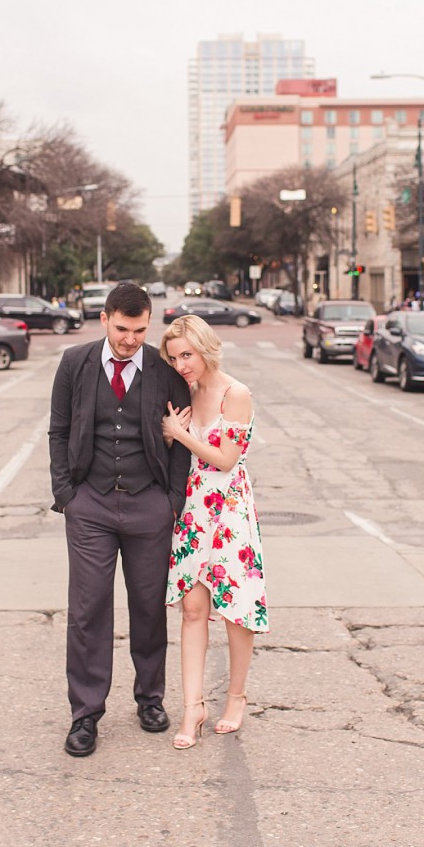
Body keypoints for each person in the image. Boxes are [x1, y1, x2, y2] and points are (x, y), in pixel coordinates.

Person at [49, 282, 192, 758]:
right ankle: (85, 714)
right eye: (123, 328)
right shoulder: (75, 363)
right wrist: (66, 493)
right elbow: (60, 429)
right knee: (88, 610)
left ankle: (150, 699)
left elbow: (180, 434)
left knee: (148, 606)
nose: (131, 339)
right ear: (105, 319)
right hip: (89, 504)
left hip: (149, 505)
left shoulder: (163, 370)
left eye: (140, 330)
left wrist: (172, 500)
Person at [160, 315, 268, 750]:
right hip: (193, 508)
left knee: (234, 610)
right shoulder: (185, 392)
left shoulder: (234, 394)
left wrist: (179, 435)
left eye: (187, 355)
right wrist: (171, 439)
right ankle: (193, 707)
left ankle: (236, 698)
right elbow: (177, 447)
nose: (182, 364)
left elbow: (225, 460)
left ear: (205, 348)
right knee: (192, 607)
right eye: (174, 358)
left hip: (229, 510)